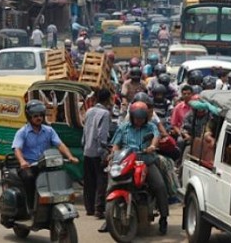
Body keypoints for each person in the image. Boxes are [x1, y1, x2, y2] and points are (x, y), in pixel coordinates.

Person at [109, 101, 169, 235]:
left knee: (159, 186)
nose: (139, 121)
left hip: (146, 162)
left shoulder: (151, 127)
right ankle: (109, 216)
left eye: (142, 118)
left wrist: (152, 146)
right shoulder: (123, 127)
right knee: (111, 183)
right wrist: (113, 154)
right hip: (126, 162)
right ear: (131, 116)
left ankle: (164, 218)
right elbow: (116, 145)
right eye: (137, 118)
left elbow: (156, 137)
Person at [11, 100, 79, 210]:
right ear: (29, 117)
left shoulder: (49, 131)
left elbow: (60, 144)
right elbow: (17, 149)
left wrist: (70, 156)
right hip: (30, 166)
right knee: (29, 178)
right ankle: (31, 207)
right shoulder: (22, 132)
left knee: (60, 175)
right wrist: (22, 161)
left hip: (46, 165)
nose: (39, 118)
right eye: (35, 116)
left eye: (41, 115)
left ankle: (56, 202)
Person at [82, 89, 111, 219]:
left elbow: (85, 131)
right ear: (107, 100)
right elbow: (102, 134)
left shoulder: (89, 111)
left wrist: (84, 144)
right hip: (98, 151)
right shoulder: (105, 114)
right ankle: (99, 209)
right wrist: (104, 151)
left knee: (89, 181)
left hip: (87, 149)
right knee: (101, 180)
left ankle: (89, 208)